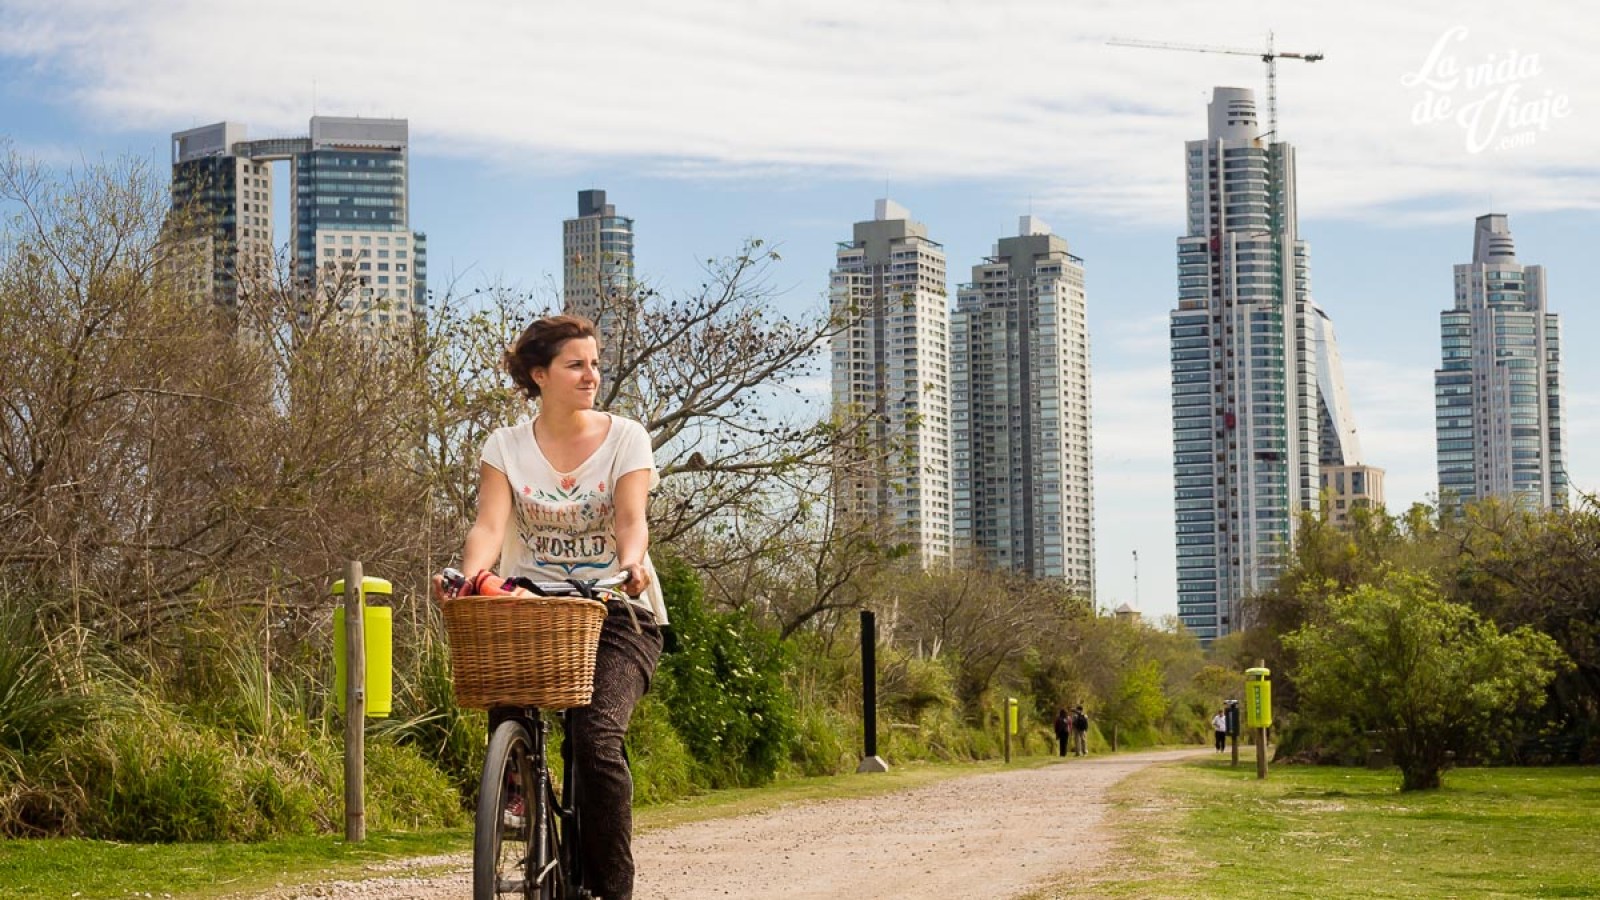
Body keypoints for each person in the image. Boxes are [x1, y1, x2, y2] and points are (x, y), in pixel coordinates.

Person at [442, 314, 666, 900]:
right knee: (507, 679)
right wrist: (472, 578)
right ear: (540, 375)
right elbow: (488, 526)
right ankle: (516, 788)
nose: (591, 375)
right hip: (533, 605)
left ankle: (612, 889)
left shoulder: (626, 438)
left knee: (595, 740)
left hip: (617, 608)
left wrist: (633, 563)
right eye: (576, 364)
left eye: (594, 363)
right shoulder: (507, 447)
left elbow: (629, 519)